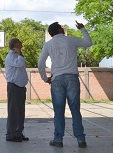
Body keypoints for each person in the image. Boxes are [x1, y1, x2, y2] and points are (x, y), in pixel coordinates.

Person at [38, 21, 92, 149]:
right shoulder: (71, 40)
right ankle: (80, 140)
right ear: (60, 30)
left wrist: (46, 79)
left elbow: (40, 63)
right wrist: (83, 29)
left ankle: (58, 139)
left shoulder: (48, 44)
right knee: (75, 110)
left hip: (56, 79)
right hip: (72, 78)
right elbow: (89, 43)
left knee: (58, 111)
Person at [5, 38, 29, 142]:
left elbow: (22, 64)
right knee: (13, 112)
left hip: (20, 87)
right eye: (19, 42)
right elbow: (20, 64)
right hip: (14, 86)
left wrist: (19, 53)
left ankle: (19, 133)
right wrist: (19, 52)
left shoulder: (17, 56)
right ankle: (11, 135)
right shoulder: (11, 56)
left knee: (20, 112)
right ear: (15, 44)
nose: (21, 43)